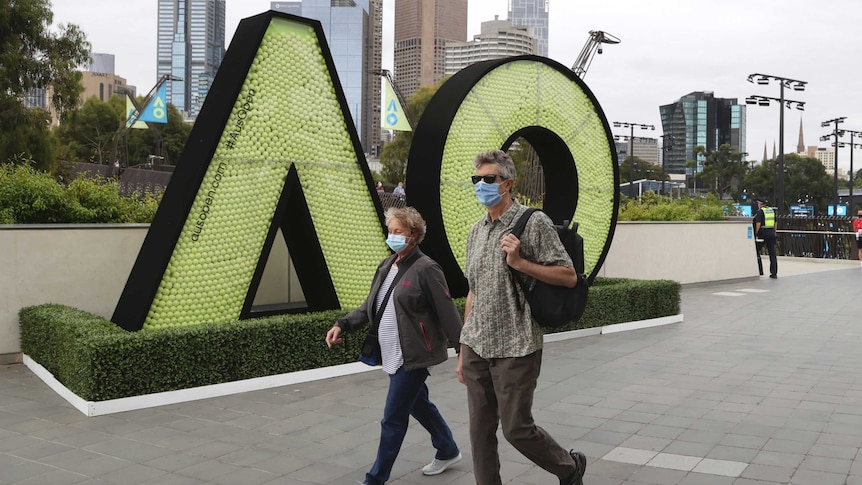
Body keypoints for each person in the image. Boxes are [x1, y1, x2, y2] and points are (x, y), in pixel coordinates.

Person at [456, 149, 587, 485]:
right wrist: (462, 348)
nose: (481, 185)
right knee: (479, 433)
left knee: (517, 429)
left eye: (489, 179)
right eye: (477, 180)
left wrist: (520, 262)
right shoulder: (475, 231)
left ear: (508, 183)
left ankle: (568, 468)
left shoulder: (532, 222)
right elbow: (474, 290)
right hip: (476, 345)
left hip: (516, 344)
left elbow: (568, 276)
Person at [325, 206, 463, 485]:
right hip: (390, 351)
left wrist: (464, 352)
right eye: (390, 231)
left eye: (397, 231)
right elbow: (370, 306)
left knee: (393, 417)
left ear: (413, 234)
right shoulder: (387, 265)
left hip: (413, 355)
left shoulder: (427, 268)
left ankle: (375, 479)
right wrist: (343, 324)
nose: (392, 236)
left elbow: (447, 312)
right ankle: (448, 449)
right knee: (418, 403)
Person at [753, 198, 777, 278]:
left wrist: (756, 233)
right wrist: (774, 232)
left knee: (756, 251)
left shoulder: (760, 211)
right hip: (771, 232)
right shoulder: (771, 210)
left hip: (763, 233)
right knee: (772, 254)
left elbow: (758, 223)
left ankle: (759, 270)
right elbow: (775, 223)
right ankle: (774, 273)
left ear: (760, 204)